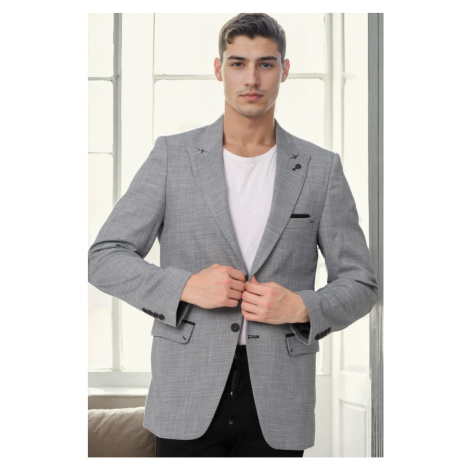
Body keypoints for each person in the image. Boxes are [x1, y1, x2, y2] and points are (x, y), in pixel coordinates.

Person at [88, 13, 378, 457]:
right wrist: (186, 286)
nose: (252, 78)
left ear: (284, 70)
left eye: (266, 64)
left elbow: (360, 282)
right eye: (238, 63)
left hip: (279, 397)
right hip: (186, 388)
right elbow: (104, 257)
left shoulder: (321, 169)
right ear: (219, 69)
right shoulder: (173, 156)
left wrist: (304, 307)